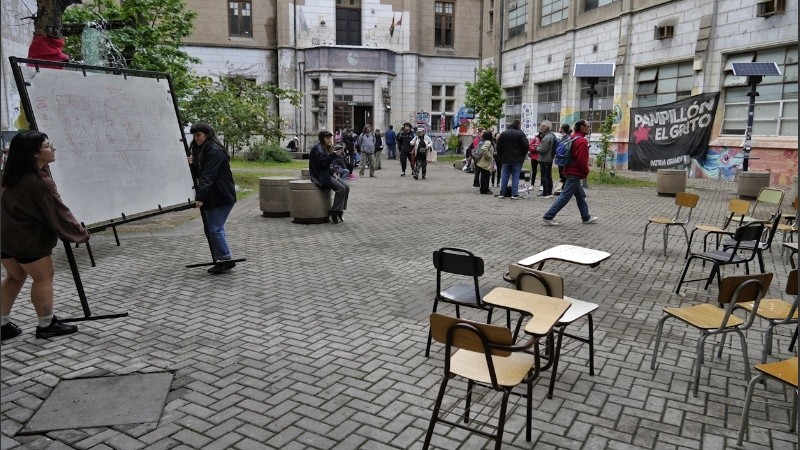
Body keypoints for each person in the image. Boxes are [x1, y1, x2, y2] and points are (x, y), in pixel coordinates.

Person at [1, 131, 90, 340]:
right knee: (43, 277)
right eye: (48, 146)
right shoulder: (38, 182)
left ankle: (1, 324)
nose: (54, 149)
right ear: (34, 154)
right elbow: (59, 212)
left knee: (14, 277)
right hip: (26, 240)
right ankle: (46, 324)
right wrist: (80, 233)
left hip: (5, 238)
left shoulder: (10, 175)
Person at [189, 123, 237, 274]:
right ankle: (223, 258)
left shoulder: (214, 151)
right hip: (215, 196)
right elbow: (201, 172)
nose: (196, 138)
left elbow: (208, 176)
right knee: (215, 228)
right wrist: (193, 164)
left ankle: (225, 259)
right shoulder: (203, 150)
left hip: (221, 196)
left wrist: (200, 197)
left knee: (214, 229)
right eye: (194, 135)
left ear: (207, 135)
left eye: (198, 135)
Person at [542, 120, 598, 226]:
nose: (589, 129)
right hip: (574, 172)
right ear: (582, 127)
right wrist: (586, 171)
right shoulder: (582, 141)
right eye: (588, 127)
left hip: (568, 169)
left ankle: (586, 217)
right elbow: (581, 161)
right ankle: (548, 216)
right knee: (565, 195)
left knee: (580, 195)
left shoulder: (571, 137)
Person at [310, 130, 350, 223]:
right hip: (320, 175)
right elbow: (323, 164)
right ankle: (335, 211)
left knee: (346, 187)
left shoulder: (325, 147)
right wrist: (333, 155)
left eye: (330, 138)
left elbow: (329, 165)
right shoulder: (319, 148)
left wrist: (333, 172)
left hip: (327, 173)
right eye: (327, 138)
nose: (329, 140)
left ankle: (339, 210)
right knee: (341, 189)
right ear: (322, 139)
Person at [495, 119, 528, 199]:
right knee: (516, 176)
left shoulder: (503, 134)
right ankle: (514, 194)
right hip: (517, 159)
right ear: (518, 125)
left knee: (505, 176)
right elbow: (526, 145)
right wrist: (522, 155)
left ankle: (502, 193)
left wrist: (501, 156)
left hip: (505, 158)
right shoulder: (521, 134)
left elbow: (498, 147)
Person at [536, 120, 557, 198]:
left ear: (546, 127)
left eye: (542, 126)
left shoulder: (547, 137)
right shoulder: (552, 136)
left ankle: (545, 192)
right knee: (549, 175)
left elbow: (542, 150)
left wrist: (537, 148)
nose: (540, 127)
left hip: (544, 159)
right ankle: (549, 191)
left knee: (544, 175)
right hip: (549, 158)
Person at [556, 124, 572, 192]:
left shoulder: (567, 138)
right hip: (560, 159)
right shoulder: (562, 137)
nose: (559, 128)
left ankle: (565, 189)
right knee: (561, 174)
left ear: (562, 129)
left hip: (563, 159)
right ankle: (563, 188)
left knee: (563, 174)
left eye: (560, 127)